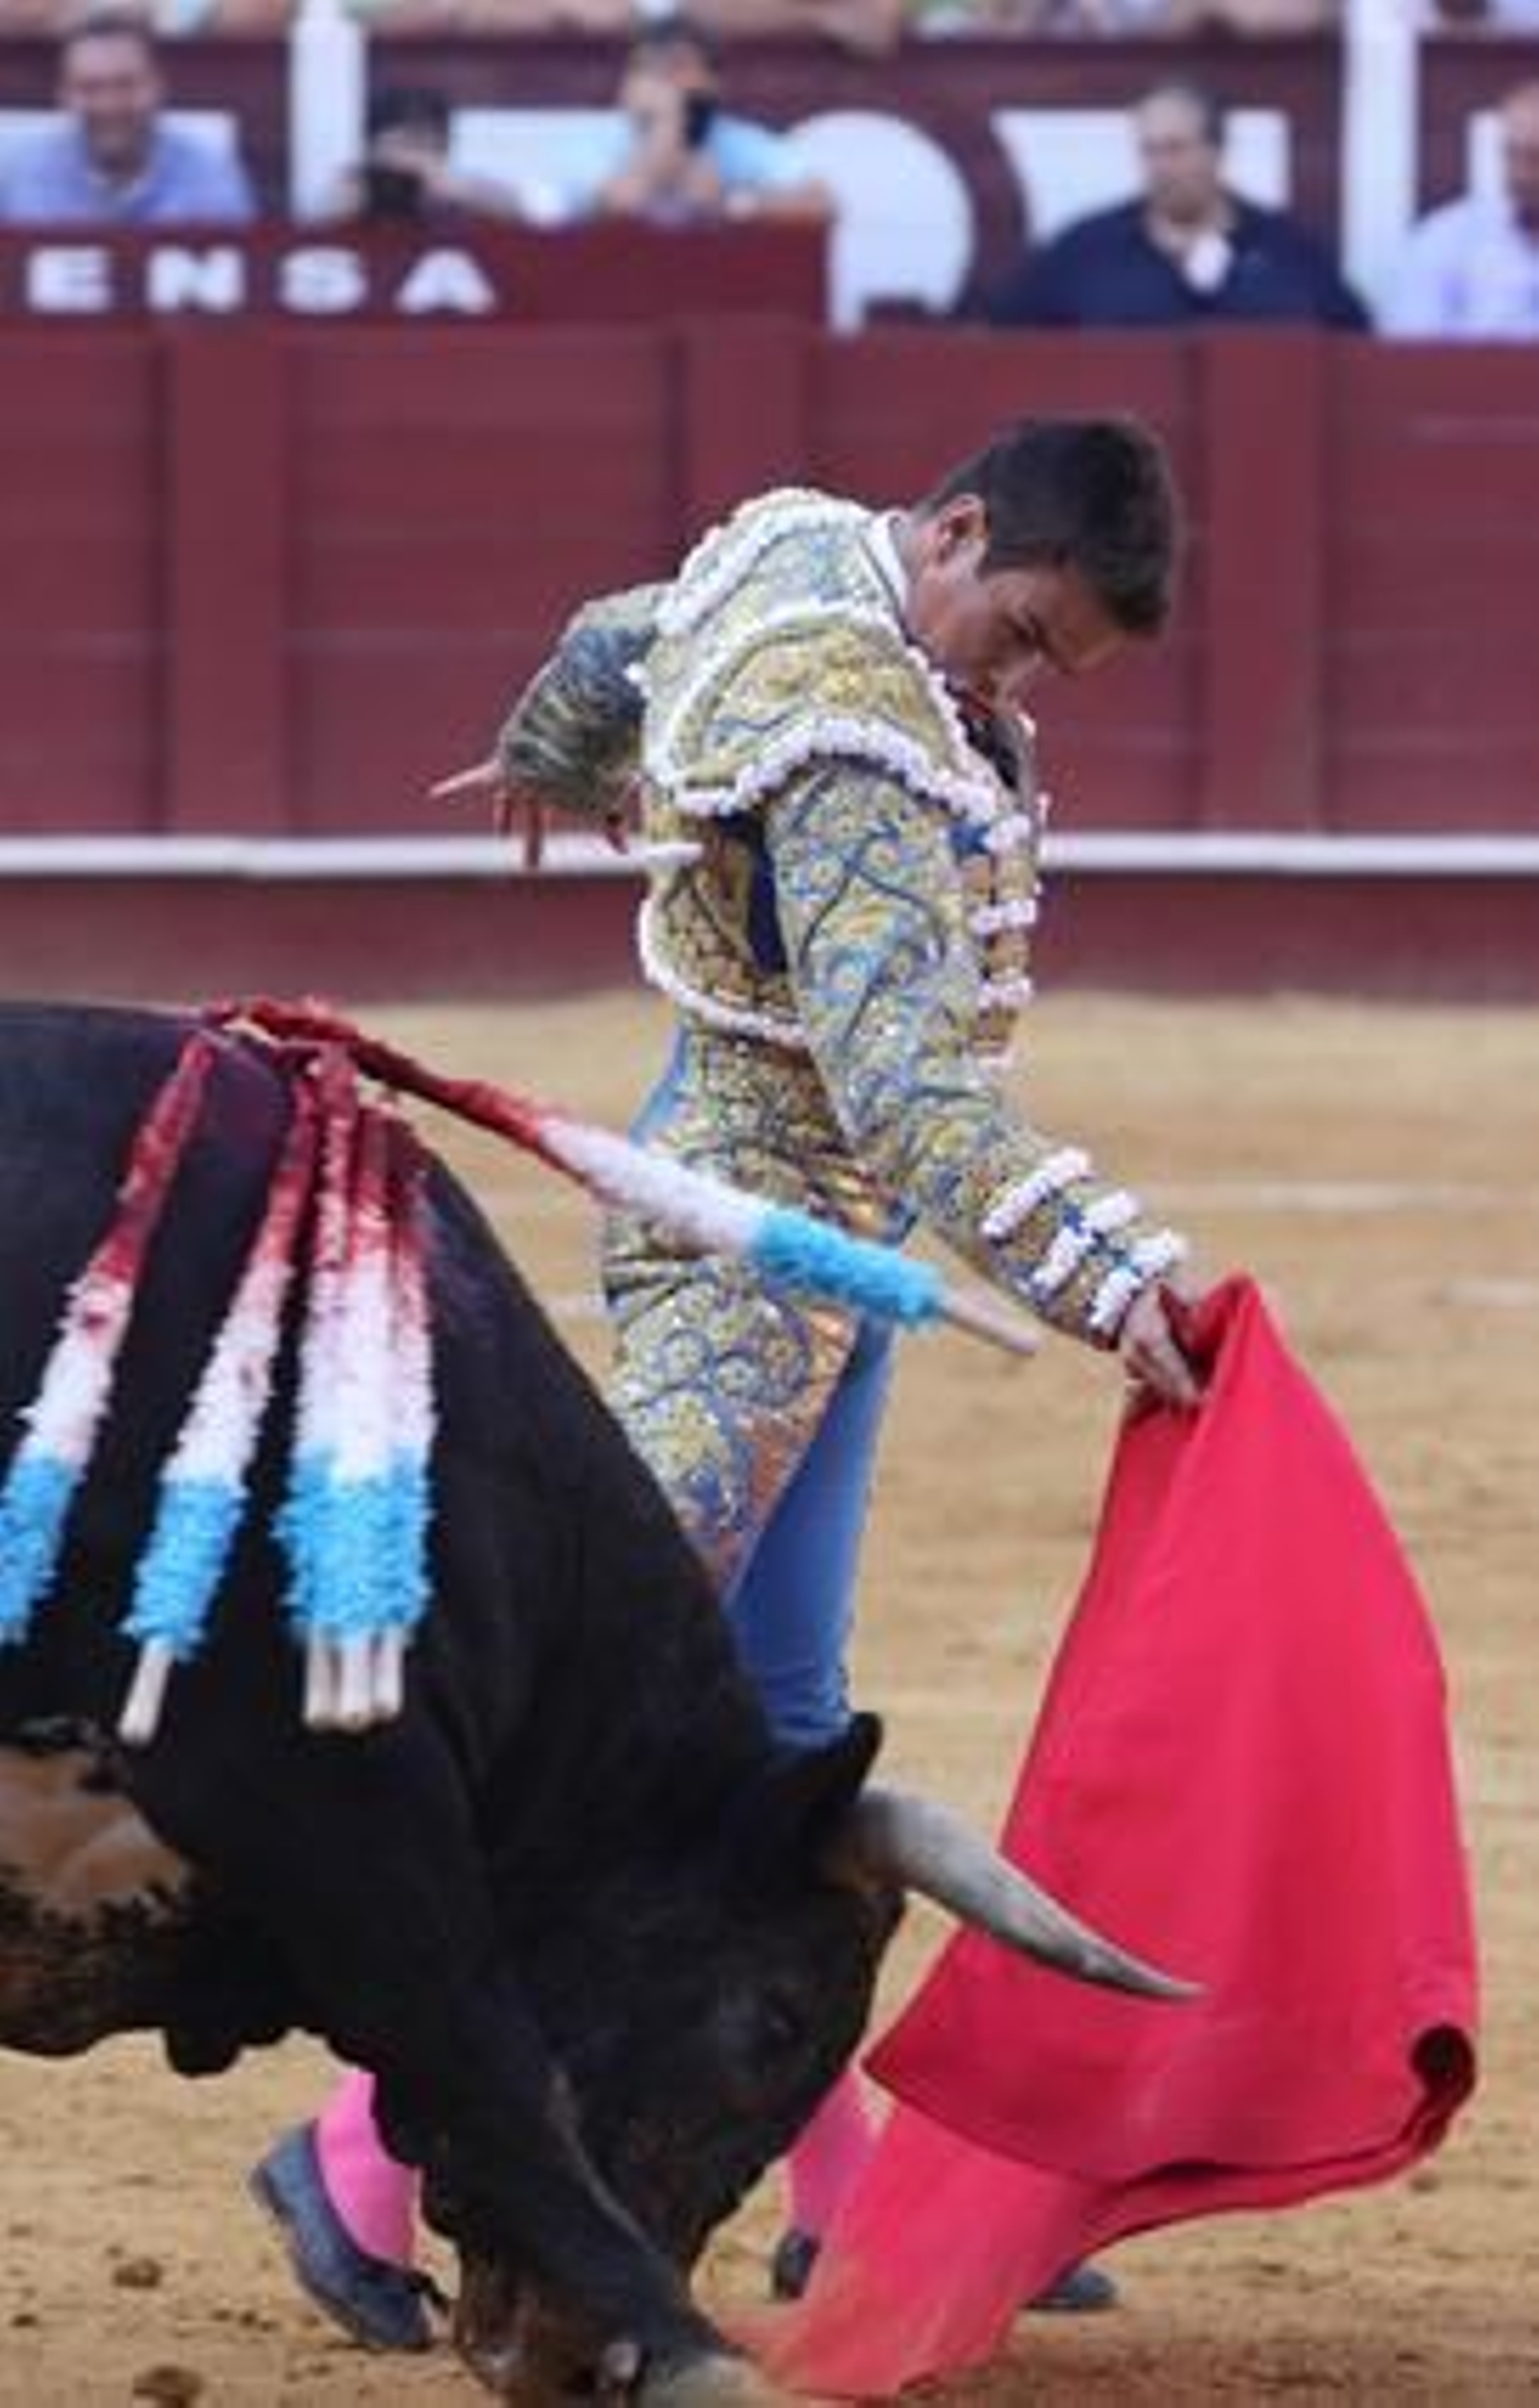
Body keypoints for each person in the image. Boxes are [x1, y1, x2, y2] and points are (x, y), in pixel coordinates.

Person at [251, 415, 1210, 2351]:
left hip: (798, 1230)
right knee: (586, 1722)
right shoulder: (852, 724)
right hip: (750, 1232)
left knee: (772, 1730)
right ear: (948, 536)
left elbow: (628, 626)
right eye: (1015, 634)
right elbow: (904, 1089)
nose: (1008, 684)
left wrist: (555, 749)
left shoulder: (796, 552)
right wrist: (1106, 1272)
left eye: (1046, 672)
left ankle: (839, 2196)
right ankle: (356, 2153)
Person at [984, 80, 1368, 329]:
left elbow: (1353, 340)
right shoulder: (1084, 251)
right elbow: (1006, 341)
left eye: (1176, 149)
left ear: (1216, 150)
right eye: (1149, 151)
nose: (1161, 167)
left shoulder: (1287, 249)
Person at [568, 13, 834, 228]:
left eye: (677, 67)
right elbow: (620, 205)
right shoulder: (597, 138)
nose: (662, 83)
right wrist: (668, 127)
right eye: (647, 70)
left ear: (712, 82)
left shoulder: (736, 139)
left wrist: (730, 204)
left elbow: (821, 205)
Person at [0, 13, 256, 225]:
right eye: (90, 88)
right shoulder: (25, 176)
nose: (109, 104)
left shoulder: (208, 175)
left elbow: (239, 278)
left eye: (125, 85)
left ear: (157, 87)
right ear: (64, 96)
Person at [1379, 78, 1539, 339]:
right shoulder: (1448, 238)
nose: (1520, 173)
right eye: (1511, 154)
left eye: (1536, 157)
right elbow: (1408, 351)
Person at [315, 83, 525, 226]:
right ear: (372, 148)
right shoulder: (356, 184)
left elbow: (523, 212)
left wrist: (457, 190)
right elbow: (314, 226)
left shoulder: (457, 187)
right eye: (401, 144)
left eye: (422, 146)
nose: (411, 158)